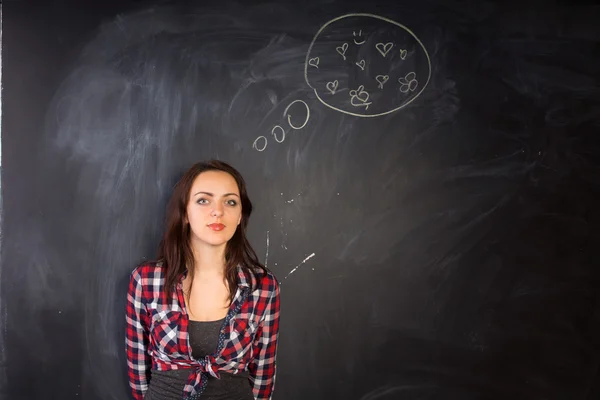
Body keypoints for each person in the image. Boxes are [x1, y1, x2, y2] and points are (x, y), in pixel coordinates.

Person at [125, 160, 280, 400]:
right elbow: (137, 368)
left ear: (240, 216)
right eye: (203, 200)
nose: (218, 211)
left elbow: (264, 373)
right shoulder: (146, 281)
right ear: (185, 212)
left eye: (230, 202)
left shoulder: (262, 286)